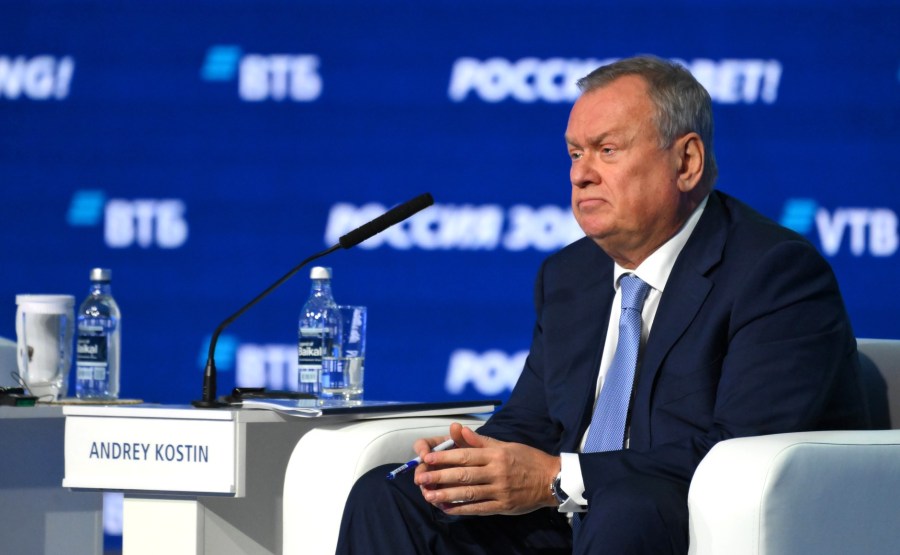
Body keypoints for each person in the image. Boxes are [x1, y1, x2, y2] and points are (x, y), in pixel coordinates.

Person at [336, 55, 867, 554]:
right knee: (390, 496)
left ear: (686, 162)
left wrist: (556, 478)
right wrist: (469, 461)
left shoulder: (775, 273)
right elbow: (531, 423)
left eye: (607, 150)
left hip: (678, 521)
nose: (580, 174)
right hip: (573, 516)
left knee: (625, 510)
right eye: (575, 153)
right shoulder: (569, 275)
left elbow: (739, 454)